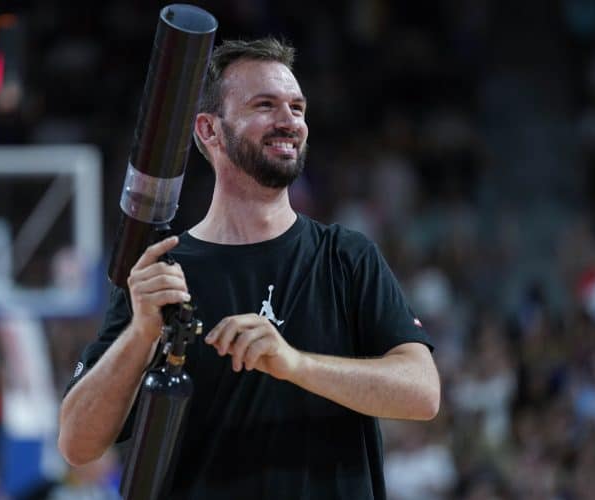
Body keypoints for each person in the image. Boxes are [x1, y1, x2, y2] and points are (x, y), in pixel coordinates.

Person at [58, 37, 440, 499]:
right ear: (209, 130)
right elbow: (77, 444)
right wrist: (141, 334)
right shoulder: (161, 271)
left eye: (297, 108)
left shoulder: (346, 255)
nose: (289, 121)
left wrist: (294, 363)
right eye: (265, 105)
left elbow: (422, 392)